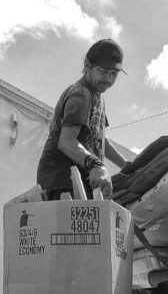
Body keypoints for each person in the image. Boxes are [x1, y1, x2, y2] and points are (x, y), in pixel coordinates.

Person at [37, 38, 131, 200]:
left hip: (81, 181)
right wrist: (97, 165)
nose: (108, 79)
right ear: (88, 65)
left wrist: (126, 165)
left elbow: (100, 140)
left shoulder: (98, 96)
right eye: (103, 71)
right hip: (62, 180)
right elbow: (66, 141)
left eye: (114, 74)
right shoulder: (80, 94)